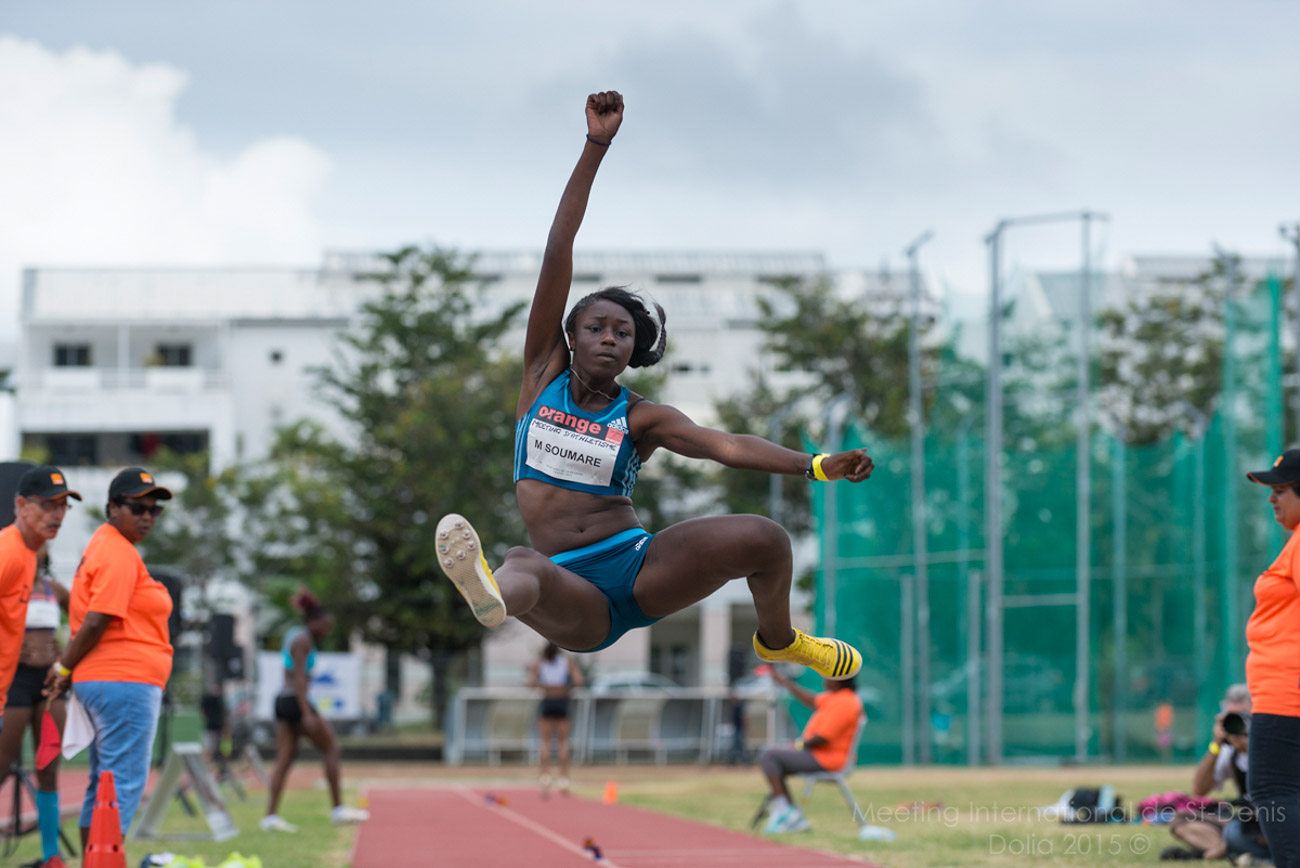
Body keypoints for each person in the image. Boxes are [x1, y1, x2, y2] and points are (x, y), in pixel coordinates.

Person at [434, 90, 873, 684]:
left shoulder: (641, 418)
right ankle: (490, 595)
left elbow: (728, 445)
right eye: (597, 327)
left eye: (623, 332)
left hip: (639, 568)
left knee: (765, 538)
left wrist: (817, 465)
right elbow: (558, 248)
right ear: (571, 334)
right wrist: (596, 145)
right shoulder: (542, 375)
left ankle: (780, 641)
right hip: (570, 590)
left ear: (633, 350)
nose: (610, 338)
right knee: (524, 562)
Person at [43, 467, 171, 849]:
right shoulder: (117, 550)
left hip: (109, 679)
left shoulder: (107, 545)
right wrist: (65, 666)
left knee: (106, 783)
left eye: (154, 510)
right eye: (137, 507)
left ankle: (95, 862)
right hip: (125, 680)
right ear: (112, 508)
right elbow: (98, 619)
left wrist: (70, 669)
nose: (147, 516)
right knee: (123, 784)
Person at [0, 466, 79, 868]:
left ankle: (51, 856)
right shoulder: (9, 553)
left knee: (48, 770)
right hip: (13, 684)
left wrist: (65, 665)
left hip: (47, 684)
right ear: (20, 506)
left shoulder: (48, 583)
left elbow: (83, 620)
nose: (58, 515)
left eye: (63, 506)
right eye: (49, 506)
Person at [260, 589, 369, 832]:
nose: (327, 630)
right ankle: (338, 809)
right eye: (325, 625)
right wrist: (306, 713)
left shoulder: (294, 635)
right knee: (330, 748)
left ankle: (270, 817)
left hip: (284, 700)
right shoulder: (303, 640)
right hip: (295, 701)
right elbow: (299, 679)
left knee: (284, 760)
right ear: (313, 622)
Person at [1243, 449, 1300, 867]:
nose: (1271, 498)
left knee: (1272, 790)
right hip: (1283, 697)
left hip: (1288, 698)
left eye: (1280, 489)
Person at [1163, 689, 1270, 862]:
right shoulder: (1230, 752)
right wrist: (1216, 746)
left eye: (1241, 716)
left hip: (1270, 818)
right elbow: (1199, 790)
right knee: (1181, 817)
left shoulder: (1271, 744)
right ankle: (1224, 847)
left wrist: (1251, 747)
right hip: (1245, 820)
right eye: (1230, 717)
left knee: (1235, 831)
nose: (1236, 723)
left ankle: (1227, 847)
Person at [756, 666, 863, 834]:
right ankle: (790, 815)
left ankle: (786, 812)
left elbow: (822, 738)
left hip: (828, 759)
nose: (824, 680)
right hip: (816, 754)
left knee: (770, 755)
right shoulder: (834, 698)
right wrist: (787, 684)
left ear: (838, 680)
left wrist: (796, 746)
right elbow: (811, 700)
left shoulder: (845, 703)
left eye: (828, 676)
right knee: (774, 757)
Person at [526, 642, 583, 797]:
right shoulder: (567, 661)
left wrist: (543, 687)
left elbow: (529, 683)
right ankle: (564, 780)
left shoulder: (540, 662)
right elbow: (579, 681)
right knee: (563, 742)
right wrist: (566, 689)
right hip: (562, 701)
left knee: (545, 742)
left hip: (547, 701)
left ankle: (545, 778)